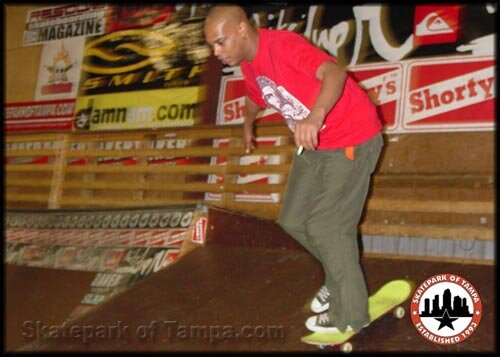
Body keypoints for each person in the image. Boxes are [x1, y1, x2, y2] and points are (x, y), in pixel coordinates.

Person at [204, 4, 383, 334]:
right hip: (315, 146)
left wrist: (315, 116)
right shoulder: (249, 63)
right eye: (212, 45)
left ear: (242, 29)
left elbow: (334, 73)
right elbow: (256, 96)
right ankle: (337, 274)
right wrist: (247, 121)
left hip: (352, 138)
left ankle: (352, 316)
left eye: (220, 42)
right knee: (293, 219)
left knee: (328, 228)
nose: (216, 52)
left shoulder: (283, 45)